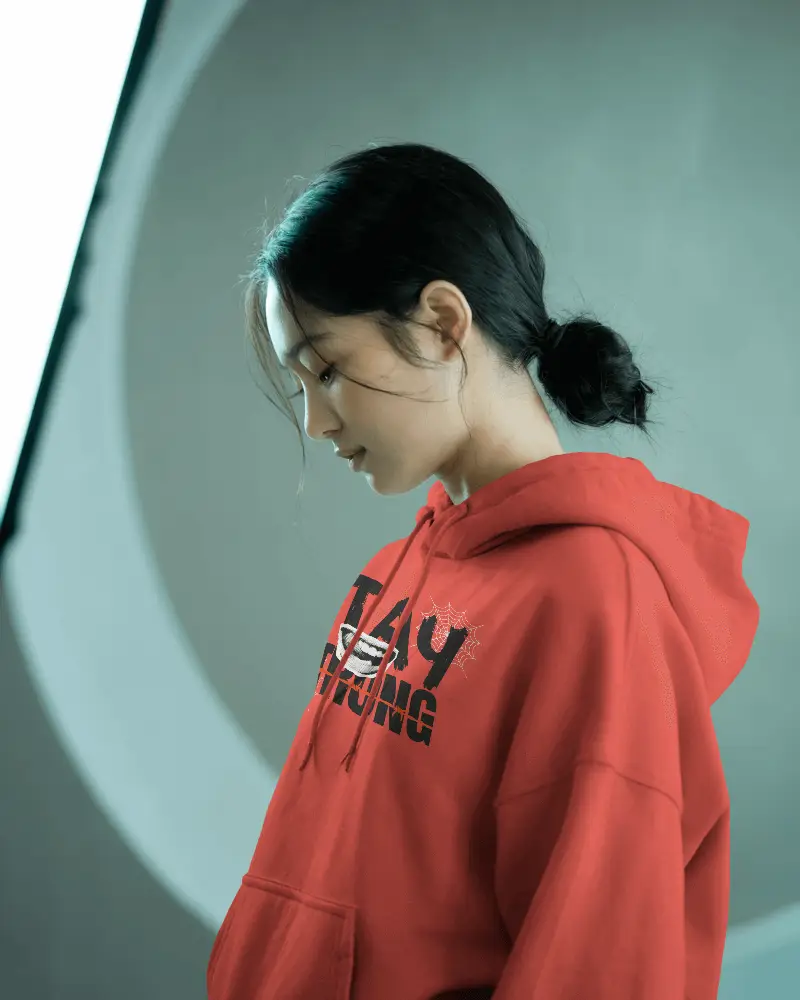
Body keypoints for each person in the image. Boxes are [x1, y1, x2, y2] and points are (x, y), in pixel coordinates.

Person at [207, 142, 760, 999]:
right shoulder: (400, 569)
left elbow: (598, 961)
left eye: (327, 369)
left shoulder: (591, 598)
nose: (315, 421)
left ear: (441, 322)